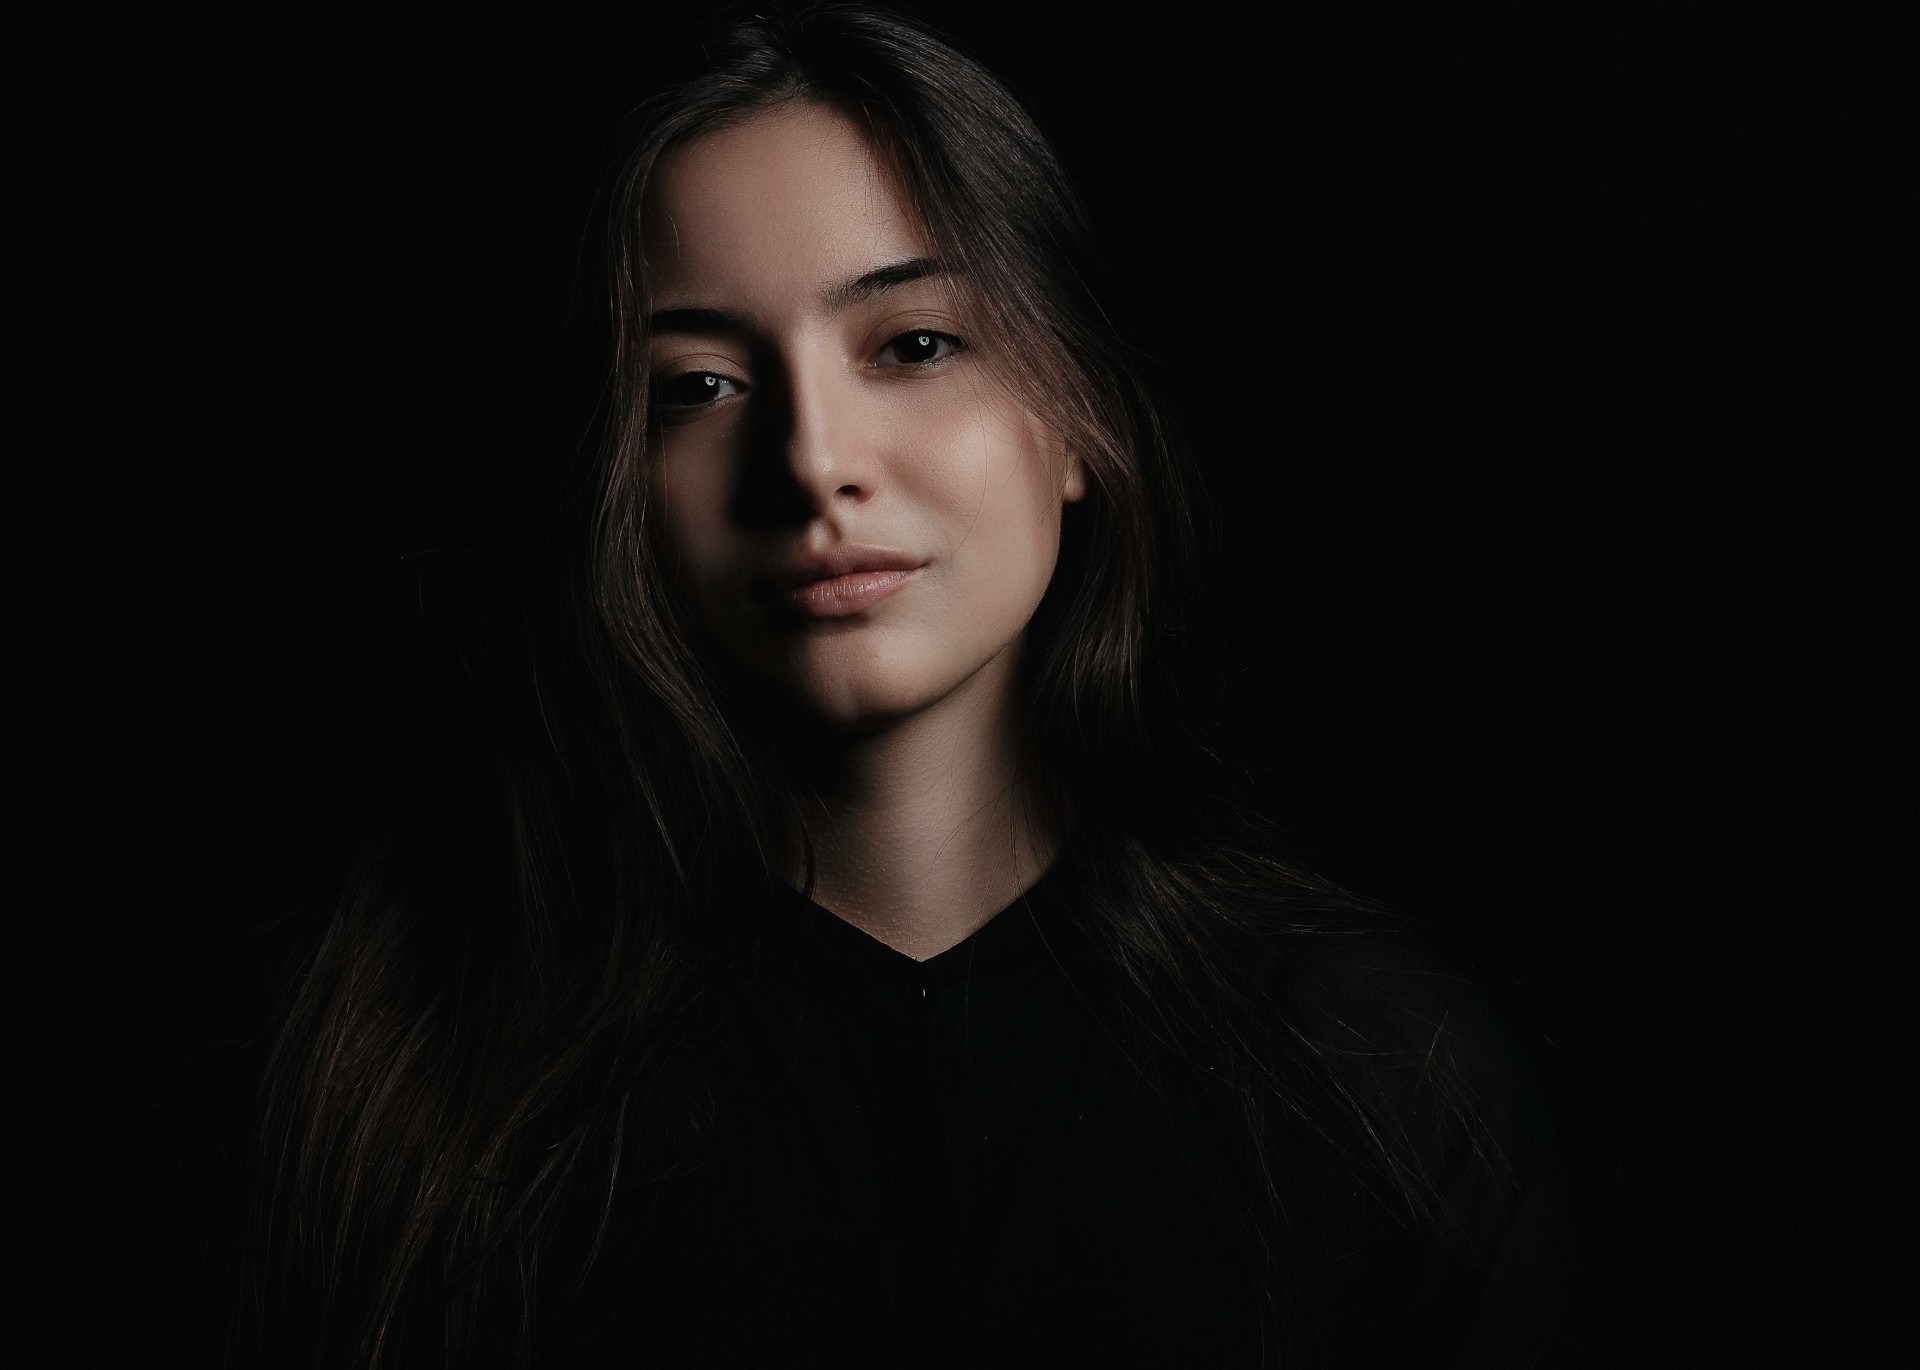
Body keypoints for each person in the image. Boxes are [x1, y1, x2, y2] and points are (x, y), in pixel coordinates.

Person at [241, 6, 1590, 1366]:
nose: (812, 460)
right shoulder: (427, 1098)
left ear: (1081, 425)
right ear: (619, 490)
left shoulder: (1381, 1082)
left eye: (915, 345)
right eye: (699, 384)